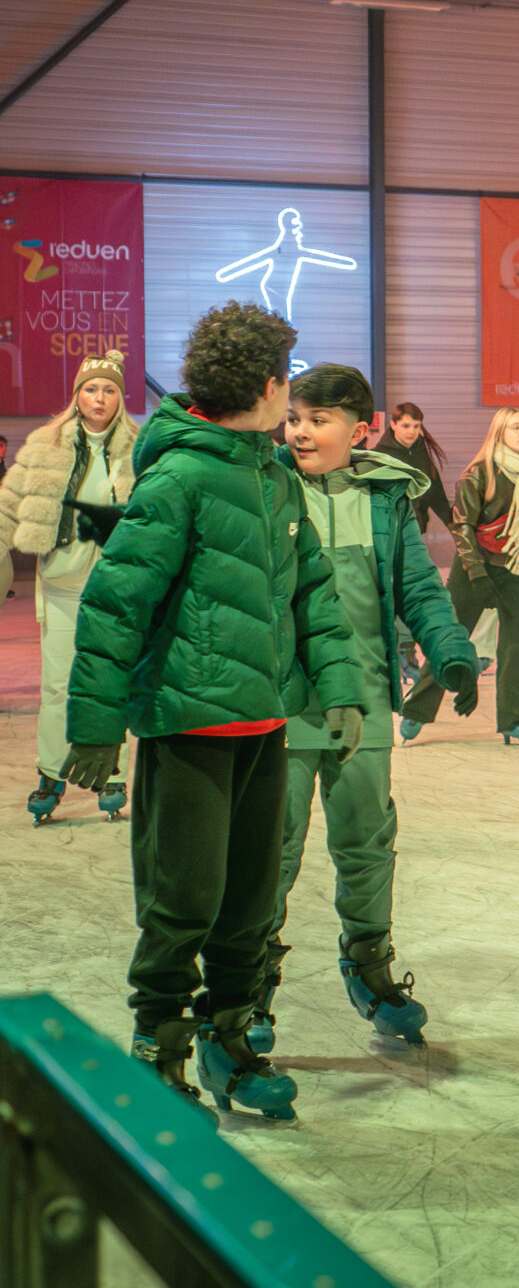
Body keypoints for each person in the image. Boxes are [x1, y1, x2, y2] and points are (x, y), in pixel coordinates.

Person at [61, 302, 361, 1117]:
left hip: (264, 724)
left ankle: (229, 1036)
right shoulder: (180, 478)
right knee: (183, 900)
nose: (289, 397)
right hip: (189, 724)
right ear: (264, 386)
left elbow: (313, 593)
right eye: (286, 382)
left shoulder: (274, 477)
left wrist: (339, 685)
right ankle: (157, 1044)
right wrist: (96, 725)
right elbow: (115, 604)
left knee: (250, 903)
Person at [258, 364, 477, 1056]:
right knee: (272, 846)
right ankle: (248, 983)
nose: (300, 431)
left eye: (318, 420)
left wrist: (451, 649)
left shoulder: (385, 498)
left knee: (366, 840)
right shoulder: (268, 486)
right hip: (286, 699)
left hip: (367, 694)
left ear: (361, 430)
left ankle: (370, 966)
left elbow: (418, 587)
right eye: (294, 417)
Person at [399, 409, 519, 747]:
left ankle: (514, 721)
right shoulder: (479, 473)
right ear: (499, 432)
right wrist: (477, 574)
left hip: (514, 566)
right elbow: (463, 527)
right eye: (515, 427)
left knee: (516, 644)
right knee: (450, 641)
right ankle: (417, 709)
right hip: (474, 568)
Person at [1, 349, 136, 825]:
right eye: (91, 388)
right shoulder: (45, 445)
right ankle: (51, 772)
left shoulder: (139, 449)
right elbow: (7, 505)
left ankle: (111, 771)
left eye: (109, 389)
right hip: (61, 583)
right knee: (59, 684)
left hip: (116, 589)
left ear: (120, 398)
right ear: (77, 394)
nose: (99, 397)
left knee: (111, 681)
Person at [373, 403, 453, 537]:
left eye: (416, 426)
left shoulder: (421, 452)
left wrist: (448, 521)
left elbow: (435, 491)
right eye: (406, 426)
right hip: (390, 533)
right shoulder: (380, 457)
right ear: (393, 425)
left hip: (418, 530)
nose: (411, 431)